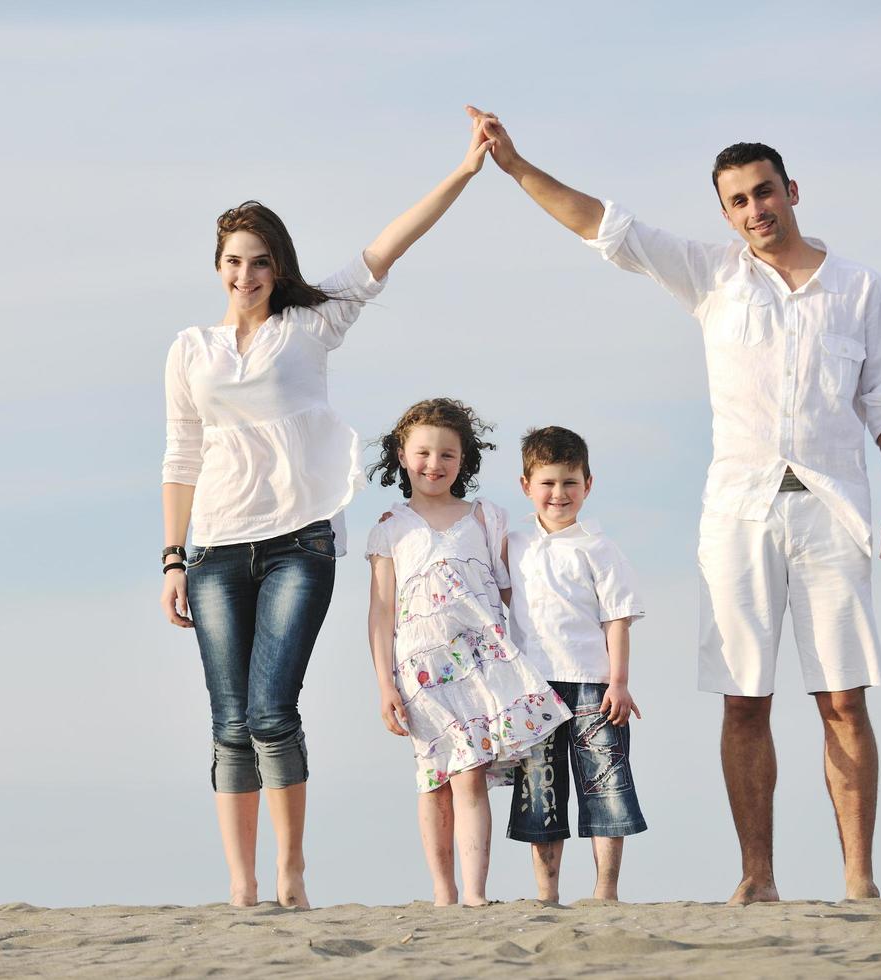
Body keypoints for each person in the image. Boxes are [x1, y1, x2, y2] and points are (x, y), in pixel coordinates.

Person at [466, 105, 881, 904]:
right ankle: (759, 876)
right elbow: (609, 228)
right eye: (740, 201)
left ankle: (860, 879)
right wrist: (515, 165)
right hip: (739, 514)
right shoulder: (713, 274)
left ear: (792, 190)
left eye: (766, 192)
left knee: (843, 699)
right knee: (745, 700)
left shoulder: (860, 290)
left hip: (833, 510)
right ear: (726, 213)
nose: (757, 209)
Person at [159, 118, 494, 909]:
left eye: (260, 261)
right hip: (213, 551)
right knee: (230, 719)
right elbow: (180, 458)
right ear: (218, 268)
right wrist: (172, 559)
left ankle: (290, 869)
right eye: (234, 262)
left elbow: (388, 246)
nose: (246, 274)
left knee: (273, 710)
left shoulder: (311, 323)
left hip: (298, 545)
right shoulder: (189, 351)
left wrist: (466, 170)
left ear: (279, 268)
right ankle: (242, 884)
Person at [365, 398, 572, 907]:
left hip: (482, 667)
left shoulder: (486, 518)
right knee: (434, 779)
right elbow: (380, 612)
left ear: (464, 460)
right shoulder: (391, 526)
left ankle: (476, 893)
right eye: (423, 453)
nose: (434, 464)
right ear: (400, 454)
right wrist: (385, 684)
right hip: (420, 673)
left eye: (447, 455)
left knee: (470, 773)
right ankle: (443, 891)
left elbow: (512, 593)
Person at [504, 426, 647, 904]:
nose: (558, 494)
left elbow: (617, 620)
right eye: (547, 483)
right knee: (540, 793)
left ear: (588, 484)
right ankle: (547, 895)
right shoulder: (514, 544)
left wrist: (620, 682)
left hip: (594, 686)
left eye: (570, 482)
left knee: (605, 785)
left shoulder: (600, 549)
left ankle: (605, 891)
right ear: (526, 485)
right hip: (533, 688)